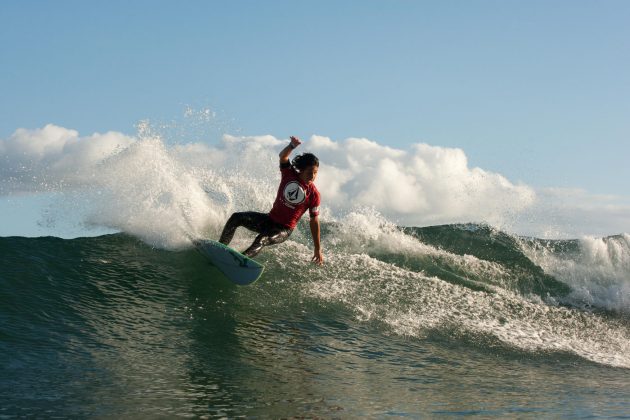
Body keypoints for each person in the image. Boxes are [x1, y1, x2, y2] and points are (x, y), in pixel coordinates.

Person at [218, 136, 323, 264]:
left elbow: (314, 220)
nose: (312, 176)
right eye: (310, 172)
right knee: (236, 217)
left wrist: (317, 248)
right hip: (269, 220)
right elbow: (283, 157)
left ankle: (240, 261)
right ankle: (220, 249)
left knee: (262, 239)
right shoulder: (289, 174)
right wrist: (292, 146)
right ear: (301, 169)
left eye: (315, 173)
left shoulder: (314, 194)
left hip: (283, 229)